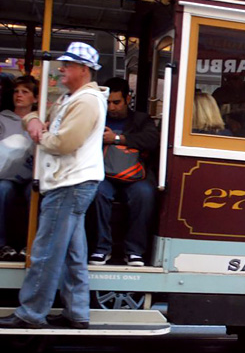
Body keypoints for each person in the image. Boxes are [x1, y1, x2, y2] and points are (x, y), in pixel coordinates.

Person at [0, 42, 107, 329]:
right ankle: (77, 311)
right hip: (72, 182)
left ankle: (31, 313)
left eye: (68, 65)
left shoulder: (84, 101)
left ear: (83, 70)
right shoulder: (76, 98)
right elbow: (46, 125)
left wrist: (38, 134)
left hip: (67, 183)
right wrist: (35, 120)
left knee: (46, 252)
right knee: (73, 253)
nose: (61, 69)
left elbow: (62, 143)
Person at [89, 77, 159, 267]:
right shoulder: (97, 118)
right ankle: (101, 248)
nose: (111, 107)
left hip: (135, 174)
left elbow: (151, 140)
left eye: (116, 102)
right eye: (108, 102)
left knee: (145, 194)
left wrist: (117, 138)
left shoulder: (141, 119)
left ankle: (134, 250)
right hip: (103, 173)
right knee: (97, 192)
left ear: (128, 99)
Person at [0, 76, 38, 261]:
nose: (19, 95)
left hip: (32, 174)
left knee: (34, 192)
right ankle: (2, 245)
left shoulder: (40, 121)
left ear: (35, 98)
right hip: (7, 174)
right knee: (3, 190)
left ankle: (29, 245)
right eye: (16, 91)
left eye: (25, 92)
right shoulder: (2, 119)